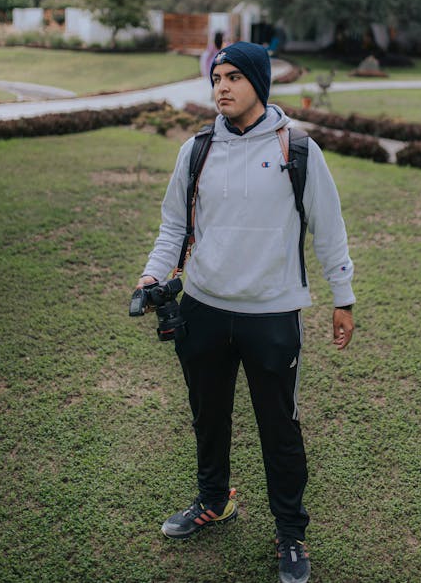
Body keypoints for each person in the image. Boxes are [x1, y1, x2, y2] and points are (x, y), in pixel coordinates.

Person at [136, 41, 355, 583]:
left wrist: (342, 295)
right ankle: (214, 501)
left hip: (273, 315)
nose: (222, 88)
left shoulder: (297, 149)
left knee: (279, 429)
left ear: (259, 82)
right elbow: (173, 228)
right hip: (204, 309)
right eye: (216, 79)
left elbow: (327, 228)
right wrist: (151, 275)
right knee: (208, 417)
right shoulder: (198, 150)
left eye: (234, 77)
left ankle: (290, 533)